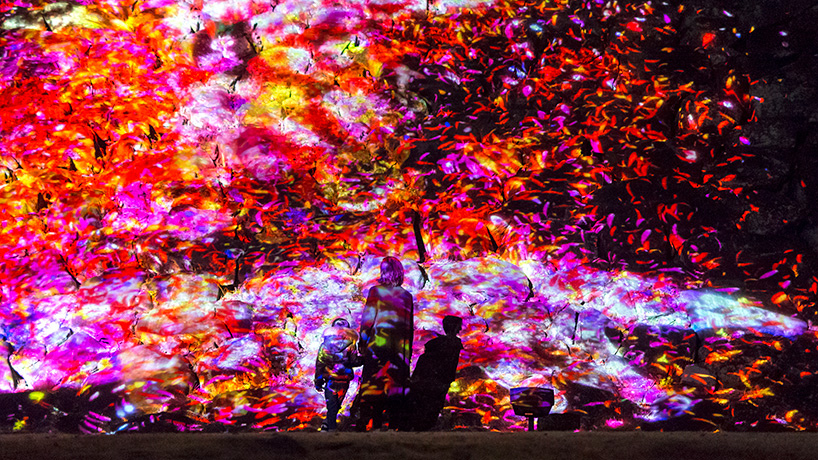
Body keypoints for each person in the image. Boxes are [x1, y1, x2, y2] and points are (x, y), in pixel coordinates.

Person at [355, 256, 414, 430]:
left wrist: (363, 341)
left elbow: (368, 319)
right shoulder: (407, 296)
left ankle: (370, 423)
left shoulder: (376, 292)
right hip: (399, 349)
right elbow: (409, 327)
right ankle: (394, 425)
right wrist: (408, 353)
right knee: (395, 386)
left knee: (374, 383)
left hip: (378, 345)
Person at [409, 315, 463, 431]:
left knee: (427, 404)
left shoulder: (435, 345)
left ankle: (420, 427)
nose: (460, 329)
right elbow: (450, 365)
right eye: (459, 326)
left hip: (432, 379)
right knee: (433, 405)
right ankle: (423, 427)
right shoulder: (453, 344)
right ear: (454, 327)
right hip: (439, 380)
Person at [314, 317, 361, 431]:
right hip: (344, 379)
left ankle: (329, 428)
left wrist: (318, 381)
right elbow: (354, 361)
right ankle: (329, 426)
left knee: (331, 405)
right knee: (337, 404)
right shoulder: (351, 344)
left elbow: (320, 364)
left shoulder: (325, 345)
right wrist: (365, 359)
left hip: (330, 379)